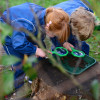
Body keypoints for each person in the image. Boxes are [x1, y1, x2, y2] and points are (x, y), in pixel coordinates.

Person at [0, 3, 71, 89]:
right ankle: (19, 89)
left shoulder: (49, 17)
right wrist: (35, 50)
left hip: (28, 31)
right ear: (47, 28)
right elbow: (18, 44)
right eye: (55, 35)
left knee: (40, 55)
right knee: (18, 63)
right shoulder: (28, 24)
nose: (55, 37)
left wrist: (63, 42)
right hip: (10, 34)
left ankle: (35, 79)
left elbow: (54, 33)